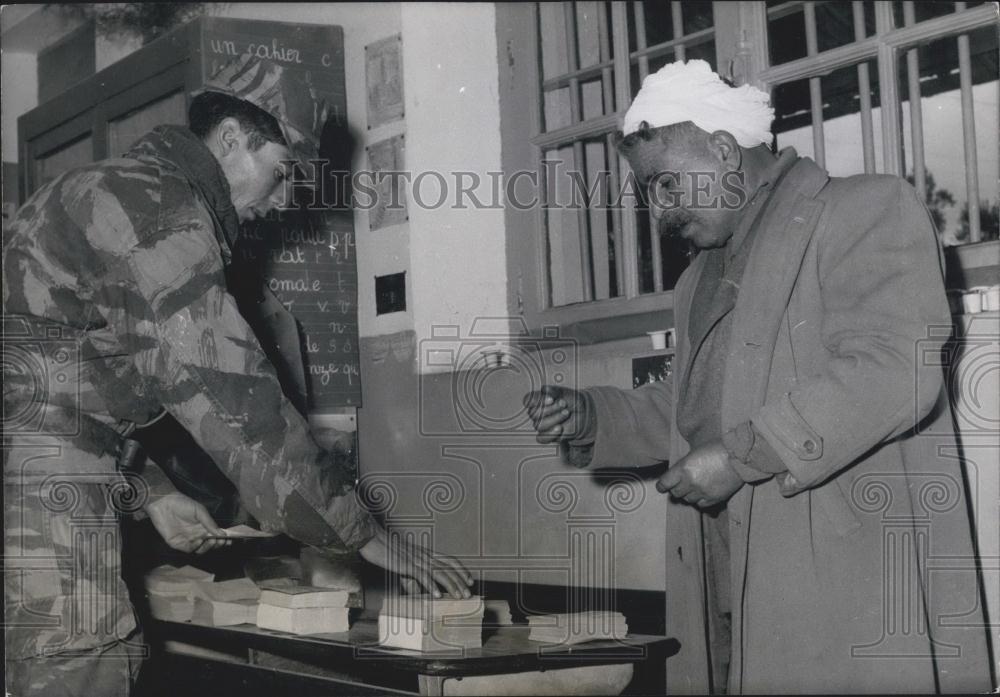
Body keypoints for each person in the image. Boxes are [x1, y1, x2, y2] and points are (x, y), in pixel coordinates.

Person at [3, 54, 471, 697]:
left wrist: (150, 491)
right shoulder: (157, 211)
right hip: (42, 494)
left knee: (104, 655)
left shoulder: (102, 185)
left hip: (38, 479)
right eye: (281, 175)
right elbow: (229, 398)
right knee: (83, 664)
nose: (282, 203)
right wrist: (358, 530)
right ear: (229, 140)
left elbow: (57, 379)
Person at [524, 60, 992, 694]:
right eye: (648, 194)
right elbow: (697, 406)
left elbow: (896, 369)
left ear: (722, 151)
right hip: (727, 565)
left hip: (841, 577)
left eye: (665, 185)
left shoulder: (863, 208)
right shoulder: (699, 279)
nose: (658, 214)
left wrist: (744, 455)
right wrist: (597, 415)